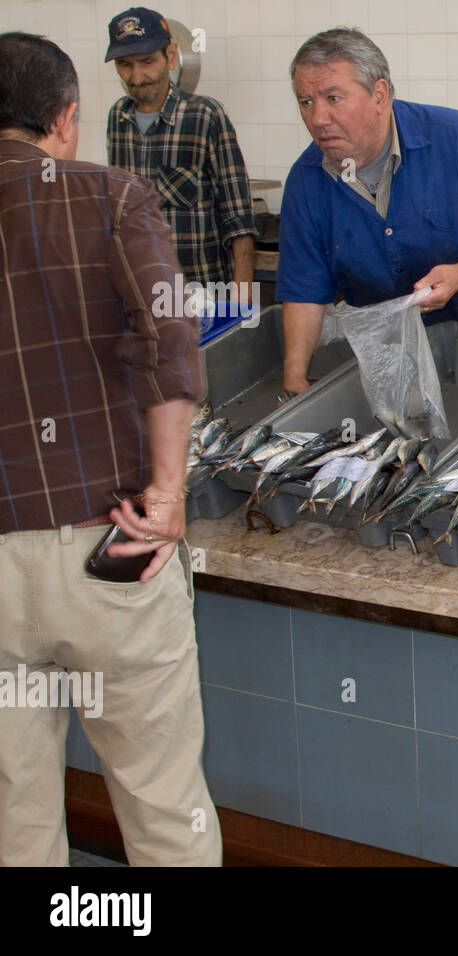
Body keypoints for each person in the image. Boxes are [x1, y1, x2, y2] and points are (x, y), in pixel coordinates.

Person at [0, 32, 221, 866]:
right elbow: (169, 336)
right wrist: (168, 493)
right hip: (109, 546)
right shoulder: (110, 196)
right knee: (162, 804)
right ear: (66, 118)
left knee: (15, 813)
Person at [277, 28, 458, 395]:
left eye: (333, 98)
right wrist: (294, 378)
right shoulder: (306, 179)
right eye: (306, 102)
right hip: (388, 358)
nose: (318, 117)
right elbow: (304, 291)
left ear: (379, 94)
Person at [105, 6, 256, 307]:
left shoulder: (205, 115)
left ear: (170, 56)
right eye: (125, 65)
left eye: (147, 62)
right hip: (141, 293)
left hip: (203, 295)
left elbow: (238, 217)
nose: (137, 77)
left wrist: (241, 297)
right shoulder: (117, 118)